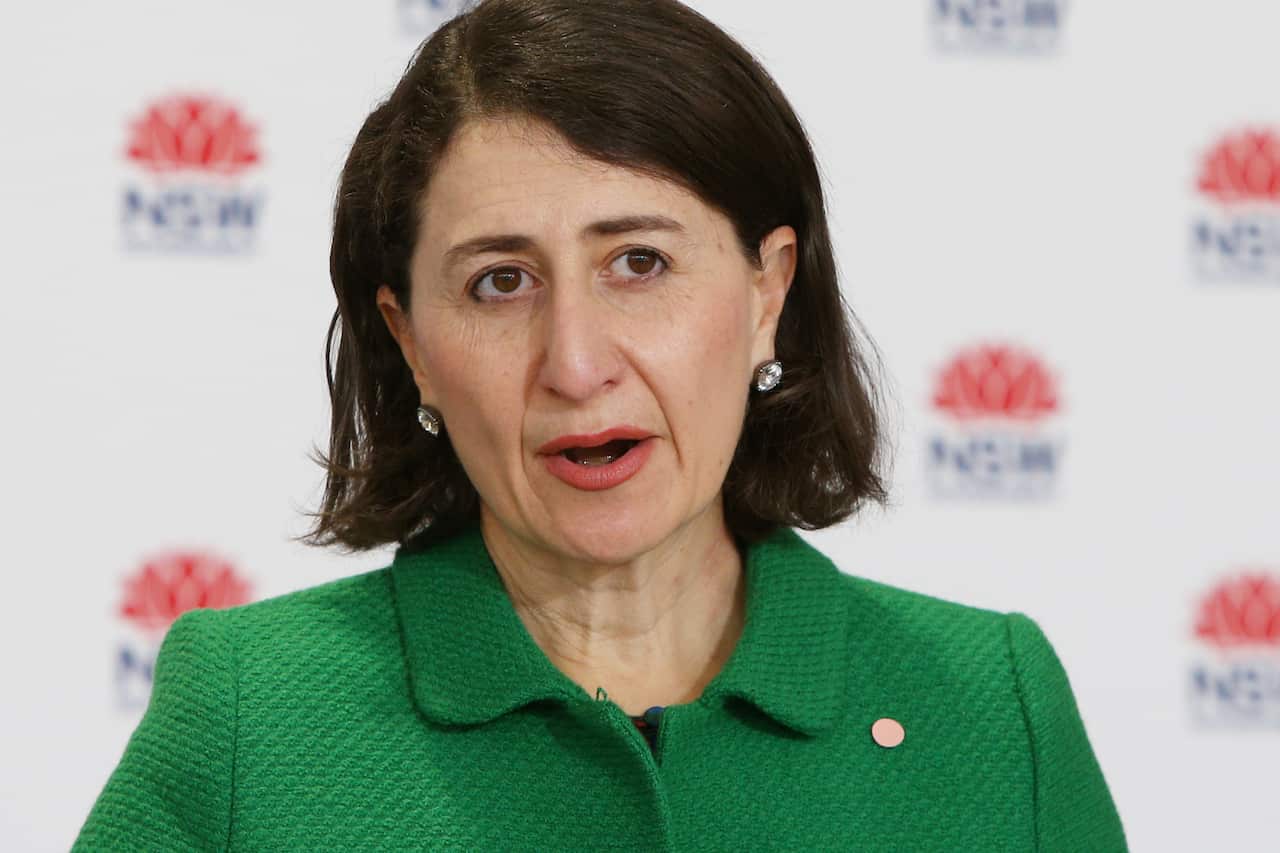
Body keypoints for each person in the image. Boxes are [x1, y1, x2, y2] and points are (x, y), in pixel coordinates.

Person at [74, 0, 1127, 849]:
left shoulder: (992, 702)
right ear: (408, 342)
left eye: (639, 263)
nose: (575, 362)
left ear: (768, 292)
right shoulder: (251, 710)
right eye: (498, 283)